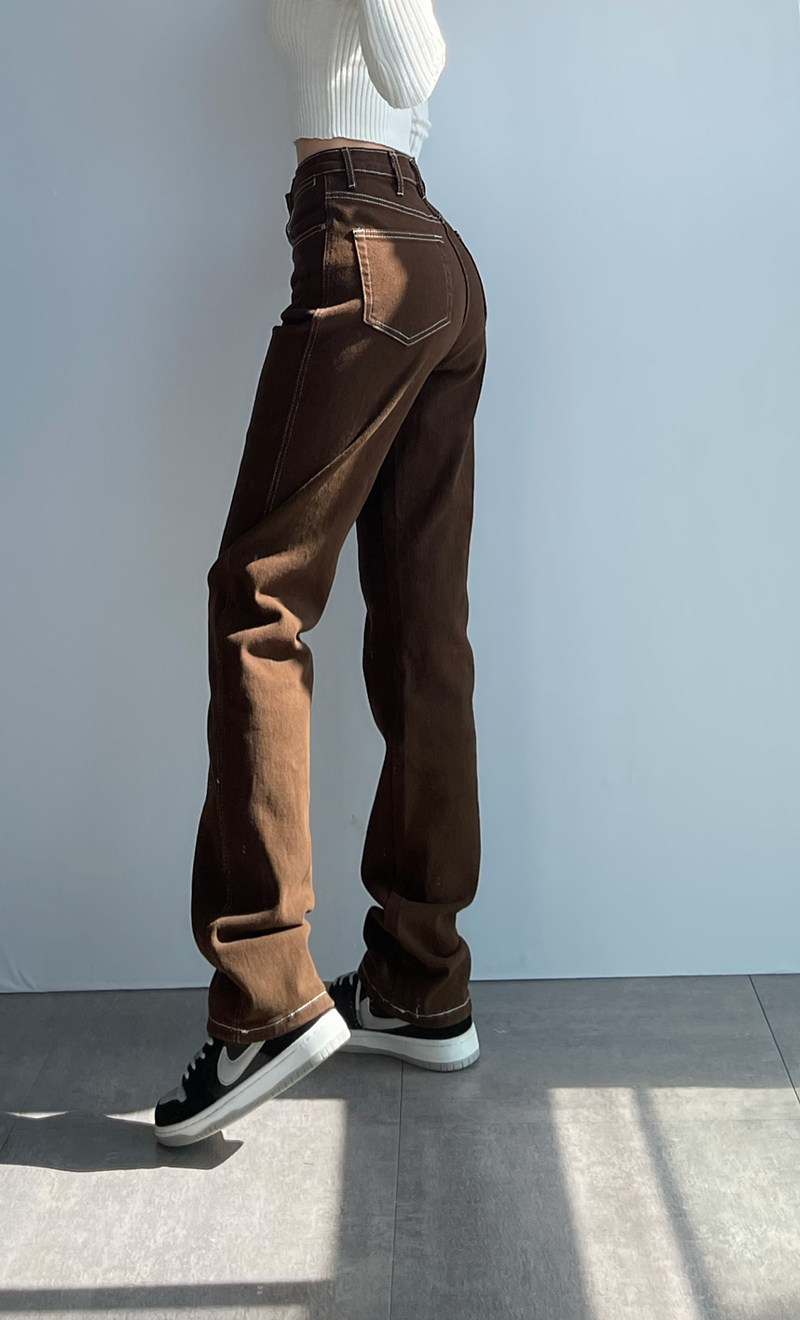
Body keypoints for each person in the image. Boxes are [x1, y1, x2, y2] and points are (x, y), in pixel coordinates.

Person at [154, 0, 488, 1147]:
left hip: (371, 236)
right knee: (420, 630)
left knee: (259, 597)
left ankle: (265, 1002)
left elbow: (413, 66)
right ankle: (416, 978)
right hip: (415, 254)